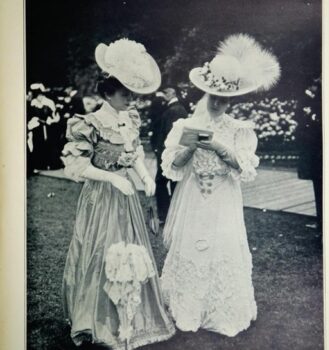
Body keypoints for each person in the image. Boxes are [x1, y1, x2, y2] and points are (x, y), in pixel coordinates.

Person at [160, 34, 280, 336]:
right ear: (204, 94)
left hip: (224, 197)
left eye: (223, 99)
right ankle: (187, 306)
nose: (217, 103)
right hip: (193, 196)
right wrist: (190, 146)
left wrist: (219, 148)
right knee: (192, 247)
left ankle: (222, 307)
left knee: (222, 247)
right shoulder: (184, 125)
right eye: (212, 97)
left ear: (231, 100)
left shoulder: (240, 130)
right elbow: (172, 166)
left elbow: (246, 167)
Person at [61, 38, 175, 349]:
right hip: (101, 198)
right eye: (125, 94)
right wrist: (112, 180)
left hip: (127, 199)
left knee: (129, 254)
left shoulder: (130, 119)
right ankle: (99, 317)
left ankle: (130, 314)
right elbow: (77, 165)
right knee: (101, 252)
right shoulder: (91, 122)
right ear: (108, 92)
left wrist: (143, 175)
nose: (131, 100)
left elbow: (133, 152)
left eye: (133, 94)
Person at [151, 87, 188, 221]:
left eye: (166, 92)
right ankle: (172, 214)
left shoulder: (175, 110)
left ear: (173, 93)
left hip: (169, 152)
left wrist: (162, 151)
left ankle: (166, 215)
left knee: (162, 182)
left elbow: (171, 134)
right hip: (170, 152)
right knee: (172, 182)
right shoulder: (174, 108)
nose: (164, 94)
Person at [296, 77, 322, 231]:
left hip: (319, 151)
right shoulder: (309, 101)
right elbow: (300, 117)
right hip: (315, 152)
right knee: (319, 188)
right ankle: (321, 221)